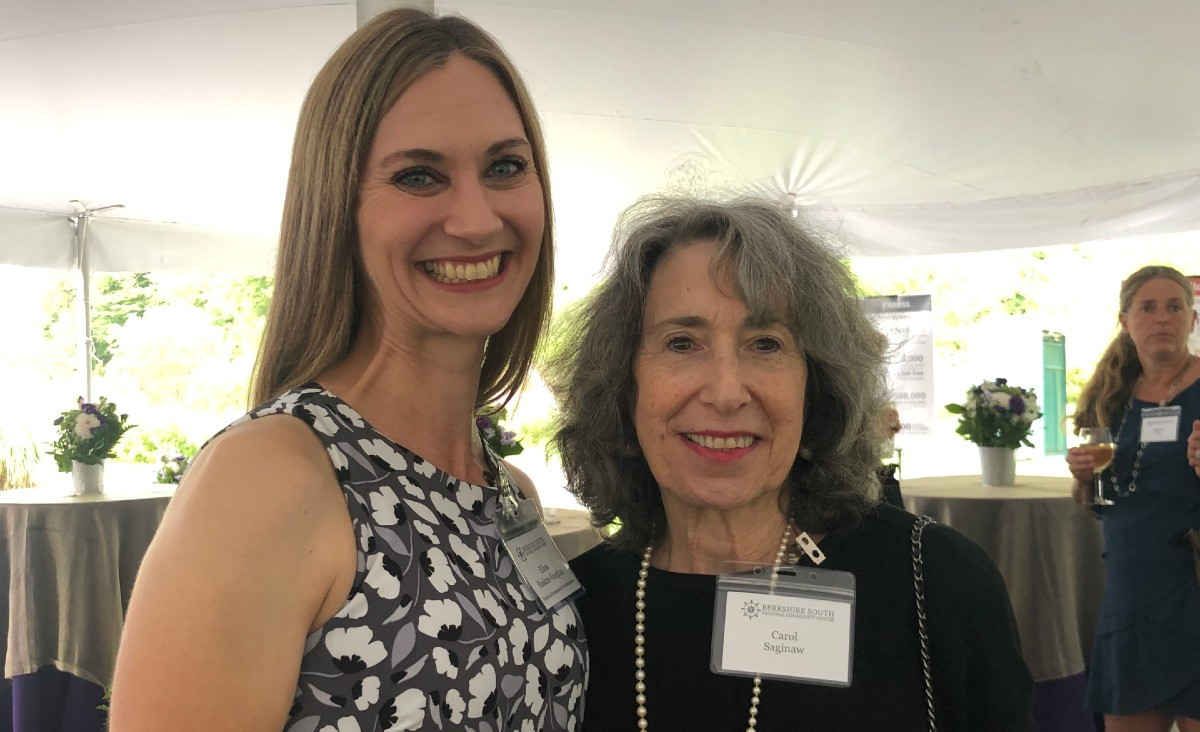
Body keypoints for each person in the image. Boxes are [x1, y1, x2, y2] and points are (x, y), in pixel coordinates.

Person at [110, 9, 586, 730]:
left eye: (505, 167)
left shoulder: (509, 493)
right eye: (420, 176)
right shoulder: (269, 478)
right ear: (337, 207)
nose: (476, 217)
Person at [545, 195, 1033, 731]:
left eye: (765, 344)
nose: (727, 392)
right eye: (682, 343)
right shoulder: (569, 616)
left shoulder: (937, 583)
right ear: (623, 383)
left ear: (816, 387)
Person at [1066, 264, 1200, 732]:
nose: (1161, 317)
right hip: (1132, 590)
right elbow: (1096, 502)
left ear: (1192, 319)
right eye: (1147, 307)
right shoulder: (1108, 396)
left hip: (1194, 584)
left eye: (1174, 306)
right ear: (1126, 321)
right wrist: (1082, 479)